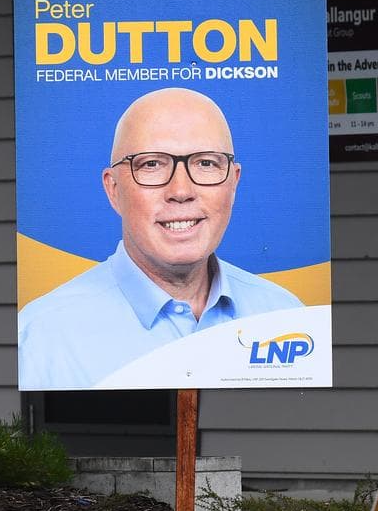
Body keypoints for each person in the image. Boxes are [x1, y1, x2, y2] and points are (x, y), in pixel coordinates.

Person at [18, 87, 302, 389]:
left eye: (206, 163)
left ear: (233, 183)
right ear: (113, 189)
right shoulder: (41, 339)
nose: (181, 191)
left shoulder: (286, 316)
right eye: (151, 164)